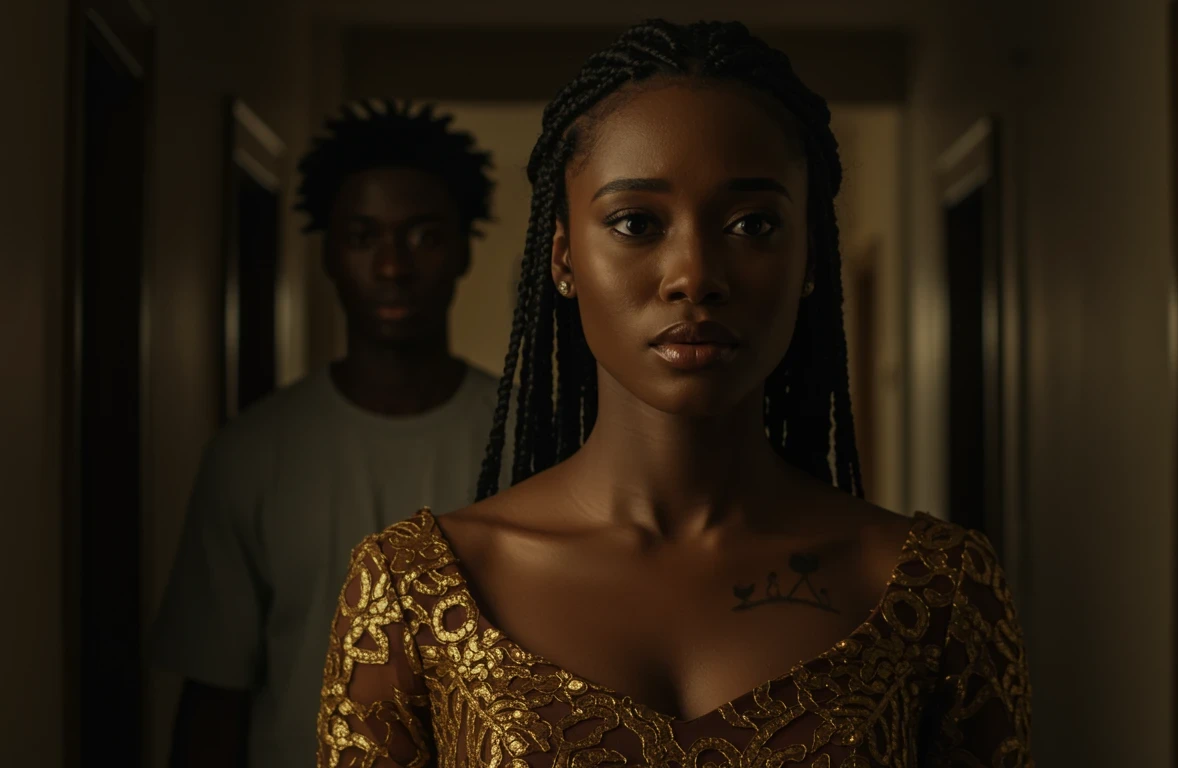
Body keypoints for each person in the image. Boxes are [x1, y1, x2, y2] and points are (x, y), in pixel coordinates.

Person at [317, 20, 1035, 768]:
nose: (694, 274)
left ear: (810, 257)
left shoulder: (935, 591)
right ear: (563, 258)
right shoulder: (415, 593)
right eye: (636, 223)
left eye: (752, 223)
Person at [152, 100, 502, 768]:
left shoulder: (531, 437)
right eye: (364, 236)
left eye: (424, 235)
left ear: (462, 249)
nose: (394, 265)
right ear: (329, 255)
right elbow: (215, 696)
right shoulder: (251, 454)